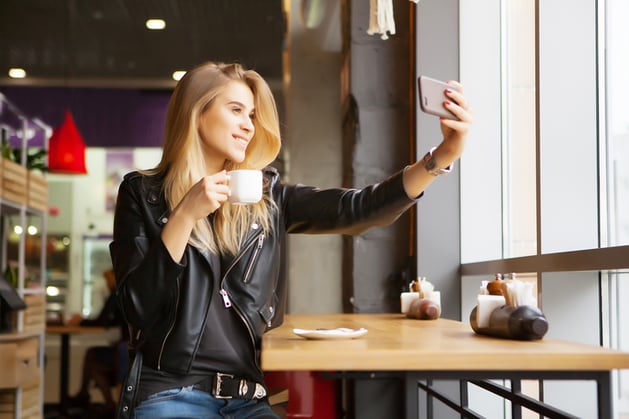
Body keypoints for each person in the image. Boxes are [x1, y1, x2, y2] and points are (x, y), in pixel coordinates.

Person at [109, 61, 471, 419]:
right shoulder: (143, 194)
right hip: (171, 393)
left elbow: (358, 208)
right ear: (195, 113)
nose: (249, 126)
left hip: (247, 398)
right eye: (236, 110)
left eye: (252, 115)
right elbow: (137, 306)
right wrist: (185, 214)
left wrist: (441, 158)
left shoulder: (267, 199)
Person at [67, 269, 129, 416]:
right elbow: (110, 321)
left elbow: (102, 321)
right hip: (128, 350)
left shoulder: (117, 293)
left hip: (124, 352)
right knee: (92, 358)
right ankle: (95, 399)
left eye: (107, 281)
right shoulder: (127, 293)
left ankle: (101, 401)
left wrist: (80, 321)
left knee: (92, 358)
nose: (106, 285)